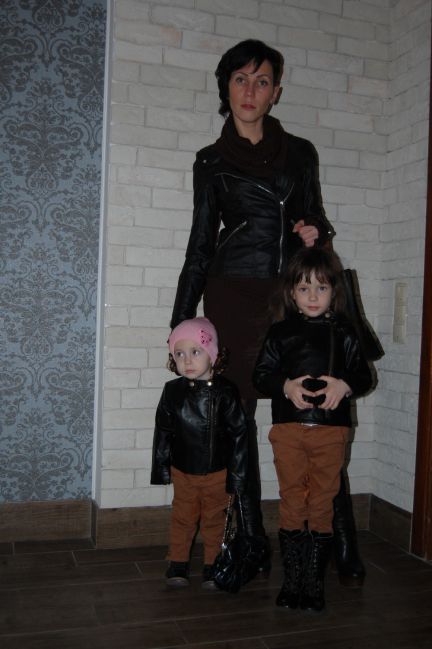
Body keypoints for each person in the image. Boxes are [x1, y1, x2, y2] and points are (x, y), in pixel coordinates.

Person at [170, 38, 364, 586]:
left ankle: (337, 537)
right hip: (232, 295)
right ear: (226, 87)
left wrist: (314, 230)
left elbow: (315, 217)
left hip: (292, 300)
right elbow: (200, 244)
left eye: (261, 81)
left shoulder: (300, 152)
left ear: (276, 91)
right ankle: (250, 540)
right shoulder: (210, 162)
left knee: (316, 409)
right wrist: (181, 319)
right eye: (240, 79)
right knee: (236, 422)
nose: (250, 90)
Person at [253, 247, 374, 612]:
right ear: (292, 292)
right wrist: (286, 386)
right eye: (304, 288)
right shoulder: (280, 332)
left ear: (334, 292)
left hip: (330, 432)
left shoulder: (345, 332)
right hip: (289, 430)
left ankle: (313, 583)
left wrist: (345, 385)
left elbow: (364, 376)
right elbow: (261, 376)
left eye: (321, 288)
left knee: (321, 503)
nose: (312, 296)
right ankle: (293, 581)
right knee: (292, 500)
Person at [151, 317, 249, 589]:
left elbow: (239, 435)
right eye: (179, 354)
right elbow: (163, 431)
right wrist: (161, 468)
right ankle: (178, 562)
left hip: (218, 472)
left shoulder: (226, 392)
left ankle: (213, 564)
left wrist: (238, 475)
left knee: (215, 520)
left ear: (213, 354)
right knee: (182, 517)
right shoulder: (172, 391)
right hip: (183, 470)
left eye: (195, 351)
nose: (187, 361)